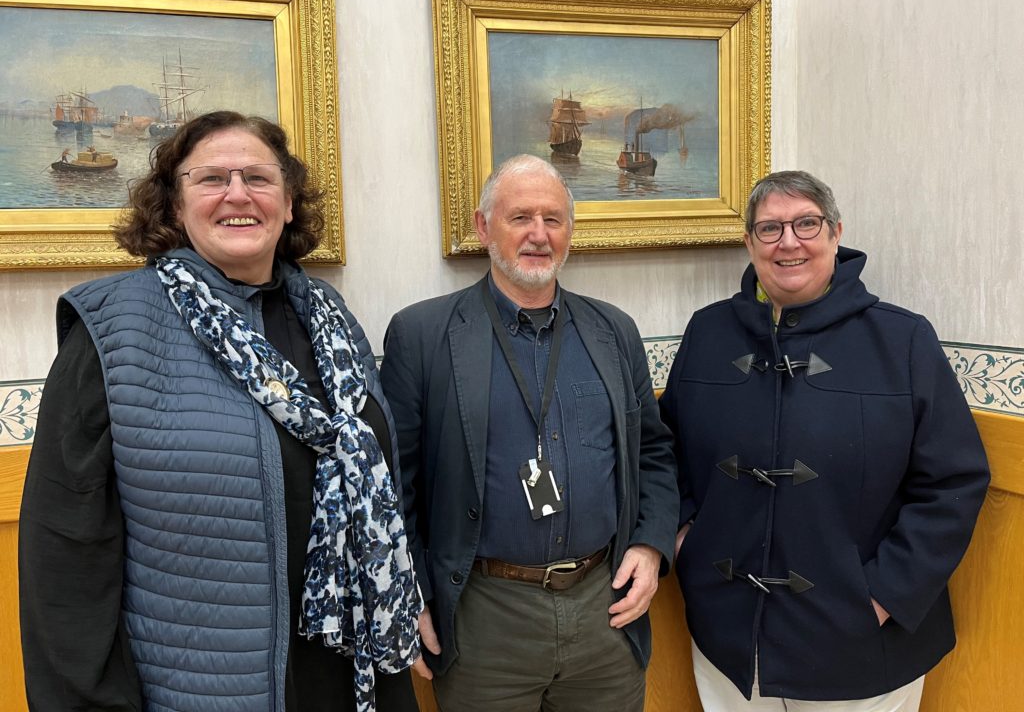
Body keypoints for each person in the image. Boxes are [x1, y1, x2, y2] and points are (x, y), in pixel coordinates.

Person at [20, 111, 422, 712]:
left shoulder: (330, 317)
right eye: (211, 178)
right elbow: (65, 552)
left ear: (288, 202)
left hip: (354, 670)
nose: (238, 194)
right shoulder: (113, 328)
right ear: (174, 205)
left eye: (258, 177)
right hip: (207, 686)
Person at [659, 169, 989, 711]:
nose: (788, 242)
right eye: (769, 228)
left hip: (863, 645)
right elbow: (665, 451)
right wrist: (684, 540)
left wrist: (882, 597)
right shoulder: (708, 333)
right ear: (749, 243)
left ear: (836, 233)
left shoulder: (903, 339)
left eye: (806, 224)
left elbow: (953, 481)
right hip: (730, 641)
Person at [380, 154, 678, 711]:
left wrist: (650, 543)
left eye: (553, 219)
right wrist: (407, 594)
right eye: (520, 217)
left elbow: (654, 453)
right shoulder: (421, 334)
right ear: (483, 226)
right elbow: (396, 486)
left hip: (605, 611)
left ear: (569, 231)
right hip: (481, 618)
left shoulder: (614, 330)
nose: (539, 234)